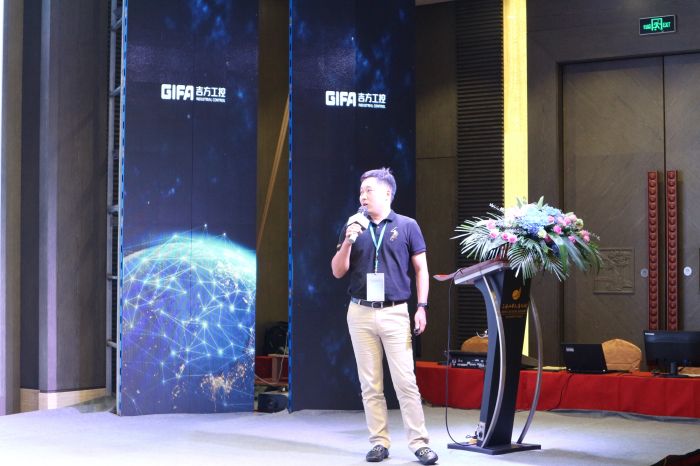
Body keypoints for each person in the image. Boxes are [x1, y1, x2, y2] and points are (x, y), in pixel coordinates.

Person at [331, 168, 438, 465]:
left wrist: (422, 306)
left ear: (387, 193)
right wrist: (349, 240)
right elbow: (337, 271)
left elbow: (421, 270)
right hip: (360, 312)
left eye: (369, 190)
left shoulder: (407, 226)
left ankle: (419, 443)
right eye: (361, 191)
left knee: (405, 382)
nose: (363, 196)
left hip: (395, 312)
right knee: (370, 384)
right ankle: (379, 442)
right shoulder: (353, 225)